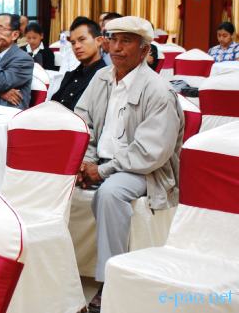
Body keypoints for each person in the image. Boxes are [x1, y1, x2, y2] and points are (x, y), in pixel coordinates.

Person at [74, 16, 184, 313]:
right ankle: (63, 274)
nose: (116, 48)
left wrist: (102, 171)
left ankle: (110, 282)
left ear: (145, 50)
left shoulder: (158, 90)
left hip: (143, 170)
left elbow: (150, 152)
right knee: (58, 183)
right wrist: (86, 161)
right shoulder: (101, 78)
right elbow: (83, 122)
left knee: (110, 193)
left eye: (126, 41)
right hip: (100, 161)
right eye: (113, 40)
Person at [51, 17, 106, 110]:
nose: (76, 46)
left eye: (82, 39)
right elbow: (53, 104)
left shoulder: (105, 77)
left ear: (99, 41)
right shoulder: (70, 75)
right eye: (73, 43)